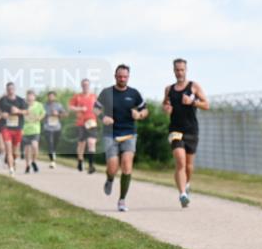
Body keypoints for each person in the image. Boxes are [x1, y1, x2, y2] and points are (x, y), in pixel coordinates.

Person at [94, 65, 148, 212]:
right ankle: (110, 179)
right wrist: (102, 117)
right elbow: (96, 108)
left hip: (129, 134)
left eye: (125, 77)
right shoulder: (106, 92)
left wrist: (140, 115)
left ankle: (122, 200)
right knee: (112, 166)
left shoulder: (134, 93)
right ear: (115, 76)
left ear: (128, 77)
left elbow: (145, 109)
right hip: (110, 134)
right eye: (120, 76)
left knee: (126, 165)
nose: (122, 79)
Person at [161, 58, 209, 208]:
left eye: (182, 69)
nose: (179, 72)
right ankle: (182, 194)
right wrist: (166, 108)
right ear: (173, 70)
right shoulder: (169, 89)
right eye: (177, 70)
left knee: (188, 165)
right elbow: (165, 104)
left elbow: (206, 105)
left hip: (191, 130)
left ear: (186, 70)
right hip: (175, 129)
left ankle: (187, 184)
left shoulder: (193, 86)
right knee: (180, 161)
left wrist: (192, 102)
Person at [0, 82, 28, 176]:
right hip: (6, 128)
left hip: (17, 128)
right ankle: (11, 169)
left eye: (12, 88)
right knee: (8, 149)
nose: (10, 90)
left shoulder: (21, 100)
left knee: (15, 151)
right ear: (7, 90)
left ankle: (13, 160)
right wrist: (2, 115)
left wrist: (18, 111)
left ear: (14, 89)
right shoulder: (2, 100)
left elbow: (27, 112)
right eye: (9, 89)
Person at [68, 78, 98, 173]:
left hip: (92, 122)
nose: (85, 86)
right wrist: (80, 108)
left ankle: (91, 165)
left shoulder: (94, 96)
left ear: (89, 86)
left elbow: (99, 107)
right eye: (84, 85)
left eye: (87, 85)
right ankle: (80, 160)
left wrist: (98, 112)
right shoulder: (77, 96)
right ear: (81, 86)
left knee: (91, 142)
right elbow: (70, 107)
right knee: (81, 144)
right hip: (81, 123)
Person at [21, 90, 45, 173]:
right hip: (25, 130)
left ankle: (34, 161)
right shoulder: (23, 105)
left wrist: (39, 118)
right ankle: (27, 165)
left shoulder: (39, 105)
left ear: (34, 97)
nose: (30, 97)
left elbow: (43, 113)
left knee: (35, 146)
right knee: (27, 149)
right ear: (27, 97)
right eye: (28, 96)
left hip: (35, 129)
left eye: (32, 96)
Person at [42, 91, 66, 168]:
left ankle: (53, 153)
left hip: (57, 128)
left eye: (52, 96)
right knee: (50, 143)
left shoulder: (58, 105)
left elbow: (65, 114)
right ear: (47, 97)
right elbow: (41, 116)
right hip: (47, 127)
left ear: (55, 97)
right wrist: (46, 115)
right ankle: (52, 161)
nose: (51, 97)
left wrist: (57, 114)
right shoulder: (44, 106)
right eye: (49, 96)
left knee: (55, 144)